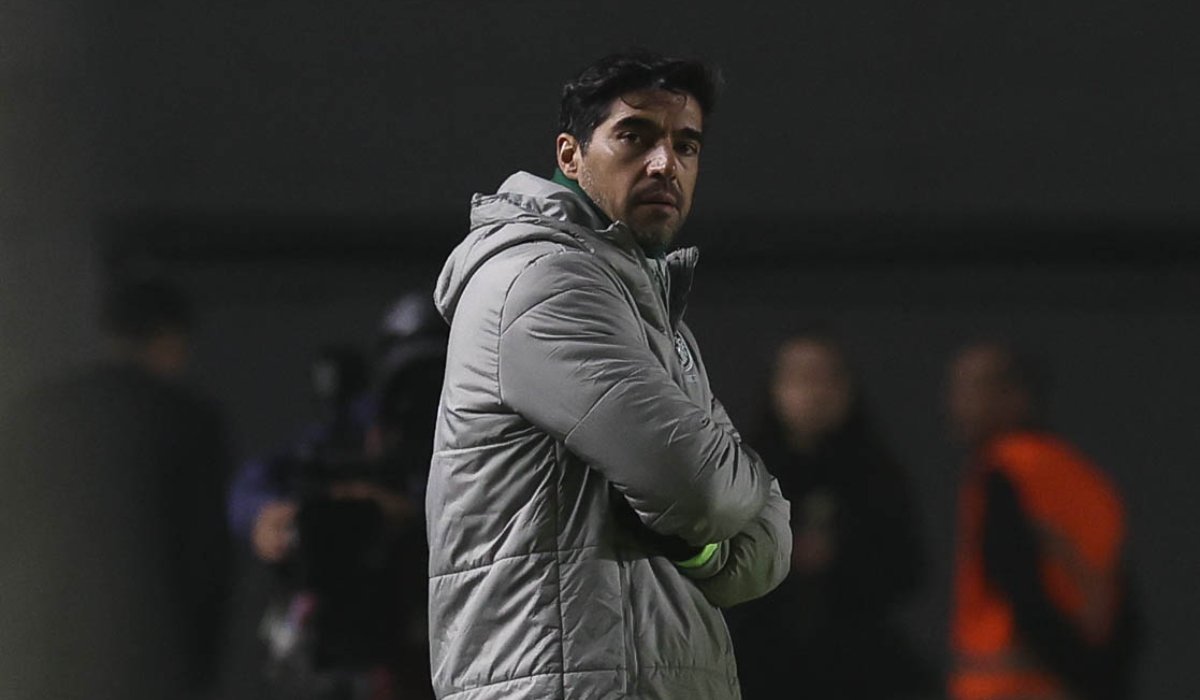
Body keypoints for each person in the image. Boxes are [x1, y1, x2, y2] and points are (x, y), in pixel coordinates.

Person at [428, 51, 791, 700]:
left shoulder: (644, 305)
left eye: (686, 145)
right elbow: (701, 488)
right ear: (569, 156)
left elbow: (765, 553)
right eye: (636, 136)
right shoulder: (542, 280)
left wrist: (712, 543)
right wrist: (727, 516)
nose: (664, 163)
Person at [0, 278, 232, 700]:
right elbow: (206, 557)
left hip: (37, 652)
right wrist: (201, 666)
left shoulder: (34, 414)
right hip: (143, 656)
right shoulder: (187, 421)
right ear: (171, 337)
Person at [226, 292, 444, 700]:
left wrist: (411, 510)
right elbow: (262, 480)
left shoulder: (481, 420)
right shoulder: (361, 423)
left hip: (428, 623)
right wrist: (266, 515)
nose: (422, 384)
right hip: (350, 622)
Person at [728, 331, 935, 699]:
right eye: (801, 378)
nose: (815, 393)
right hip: (761, 667)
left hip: (861, 670)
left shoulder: (876, 475)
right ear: (775, 387)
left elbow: (907, 570)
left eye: (828, 378)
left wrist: (843, 557)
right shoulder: (743, 474)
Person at [946, 341, 1140, 700]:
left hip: (1009, 685)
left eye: (974, 389)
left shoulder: (1004, 472)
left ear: (1017, 396)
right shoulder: (1086, 478)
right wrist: (1102, 677)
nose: (957, 404)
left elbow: (1018, 584)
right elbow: (1120, 590)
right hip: (1076, 680)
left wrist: (1073, 667)